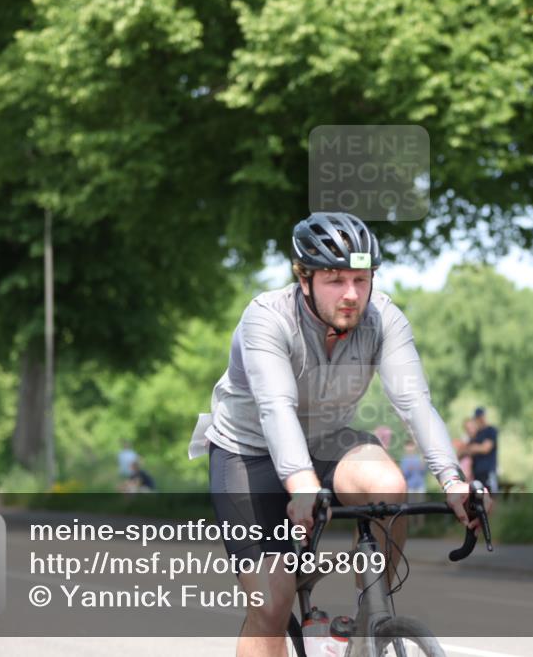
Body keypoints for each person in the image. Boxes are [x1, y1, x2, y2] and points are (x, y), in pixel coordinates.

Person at [189, 212, 492, 657]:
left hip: (330, 439)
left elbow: (414, 403)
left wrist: (452, 481)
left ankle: (370, 623)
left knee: (388, 487)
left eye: (361, 279)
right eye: (335, 280)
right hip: (248, 452)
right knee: (272, 604)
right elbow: (276, 408)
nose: (351, 294)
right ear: (304, 278)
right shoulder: (266, 319)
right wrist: (303, 485)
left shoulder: (383, 319)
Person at [460, 407, 499, 493]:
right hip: (477, 473)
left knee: (491, 495)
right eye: (478, 418)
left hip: (488, 471)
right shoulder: (476, 434)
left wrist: (472, 448)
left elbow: (486, 448)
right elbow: (463, 452)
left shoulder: (490, 430)